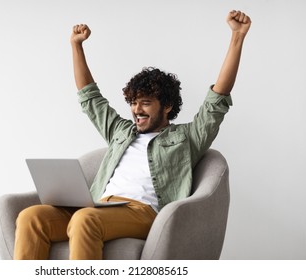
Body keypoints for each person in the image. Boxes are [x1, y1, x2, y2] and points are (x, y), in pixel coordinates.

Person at [14, 10, 251, 260]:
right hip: (101, 206)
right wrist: (76, 46)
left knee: (85, 219)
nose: (136, 110)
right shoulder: (121, 131)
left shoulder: (187, 137)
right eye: (134, 103)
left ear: (167, 106)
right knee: (31, 217)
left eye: (146, 103)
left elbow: (217, 101)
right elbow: (90, 97)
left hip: (143, 212)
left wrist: (237, 37)